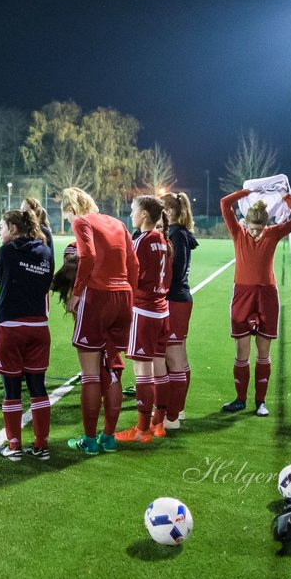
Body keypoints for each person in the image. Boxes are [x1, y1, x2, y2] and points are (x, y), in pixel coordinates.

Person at [60, 187, 138, 456]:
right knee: (115, 369)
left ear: (72, 209)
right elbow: (133, 262)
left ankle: (90, 441)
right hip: (123, 296)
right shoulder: (118, 223)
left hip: (97, 297)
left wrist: (77, 292)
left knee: (91, 375)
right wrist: (132, 294)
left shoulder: (82, 222)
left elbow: (88, 256)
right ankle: (109, 437)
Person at [220, 186, 291, 416]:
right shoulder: (238, 232)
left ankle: (260, 402)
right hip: (242, 295)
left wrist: (286, 196)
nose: (256, 233)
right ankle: (240, 399)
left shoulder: (272, 233)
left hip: (267, 296)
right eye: (252, 228)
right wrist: (245, 192)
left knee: (263, 352)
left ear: (266, 226)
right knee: (241, 351)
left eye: (260, 229)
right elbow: (224, 203)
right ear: (245, 223)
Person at [0, 208, 54, 461]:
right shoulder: (46, 250)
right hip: (38, 326)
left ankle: (14, 446)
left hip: (10, 327)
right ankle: (41, 446)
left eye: (2, 227)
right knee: (38, 386)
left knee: (11, 388)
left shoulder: (6, 251)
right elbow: (46, 281)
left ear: (13, 229)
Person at [117, 196, 171, 442]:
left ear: (145, 215)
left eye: (133, 210)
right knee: (160, 369)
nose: (131, 215)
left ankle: (141, 430)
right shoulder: (161, 240)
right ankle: (158, 424)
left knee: (142, 372)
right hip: (162, 311)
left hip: (145, 311)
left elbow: (131, 279)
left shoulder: (140, 242)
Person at [158, 191, 198, 431]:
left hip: (175, 301)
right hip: (178, 300)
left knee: (174, 358)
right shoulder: (179, 233)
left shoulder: (177, 235)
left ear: (170, 211)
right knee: (178, 356)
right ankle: (177, 410)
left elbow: (174, 272)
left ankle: (172, 416)